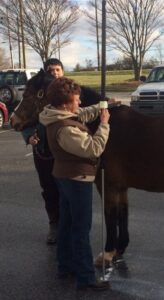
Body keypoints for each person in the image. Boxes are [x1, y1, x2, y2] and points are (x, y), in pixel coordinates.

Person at [39, 77, 110, 291]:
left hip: (63, 177)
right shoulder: (64, 129)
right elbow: (93, 148)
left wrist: (103, 106)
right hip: (76, 180)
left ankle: (65, 266)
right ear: (64, 104)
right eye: (76, 100)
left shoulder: (55, 114)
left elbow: (81, 114)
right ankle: (86, 278)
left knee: (67, 225)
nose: (79, 103)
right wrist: (104, 124)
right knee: (80, 229)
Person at [21, 58, 64, 244]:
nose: (54, 73)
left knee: (67, 190)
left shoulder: (71, 91)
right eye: (51, 70)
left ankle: (68, 224)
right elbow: (25, 117)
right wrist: (28, 136)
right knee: (49, 189)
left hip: (66, 153)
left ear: (63, 72)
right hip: (43, 151)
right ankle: (54, 224)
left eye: (58, 70)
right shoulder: (37, 94)